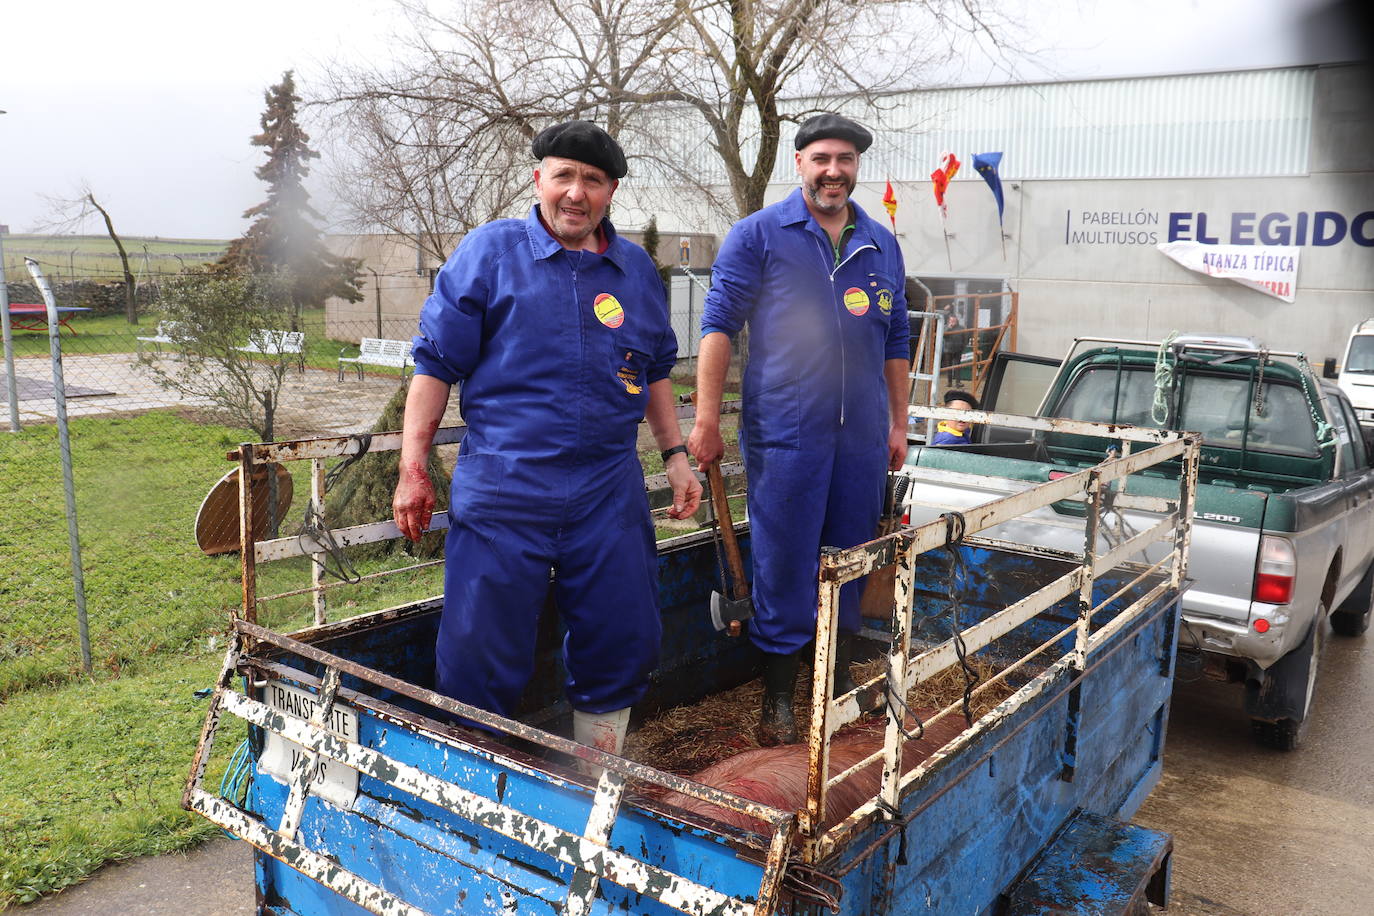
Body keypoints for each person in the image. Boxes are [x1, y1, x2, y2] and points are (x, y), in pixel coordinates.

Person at [392, 120, 702, 757]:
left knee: (622, 633)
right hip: (507, 485)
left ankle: (596, 777)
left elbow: (655, 372)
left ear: (611, 189)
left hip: (607, 490)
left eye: (592, 180)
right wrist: (412, 467)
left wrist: (676, 457)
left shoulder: (635, 270)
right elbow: (433, 366)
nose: (575, 193)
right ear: (538, 179)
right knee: (479, 645)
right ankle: (474, 784)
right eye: (563, 175)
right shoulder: (491, 254)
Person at [688, 113, 911, 745]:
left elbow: (896, 336)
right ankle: (778, 699)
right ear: (800, 164)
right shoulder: (759, 236)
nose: (833, 171)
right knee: (785, 562)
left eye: (845, 160)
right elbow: (718, 327)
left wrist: (899, 422)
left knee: (848, 557)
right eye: (821, 159)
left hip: (863, 435)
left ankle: (830, 683)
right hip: (786, 430)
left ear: (856, 167)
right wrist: (706, 418)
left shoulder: (880, 243)